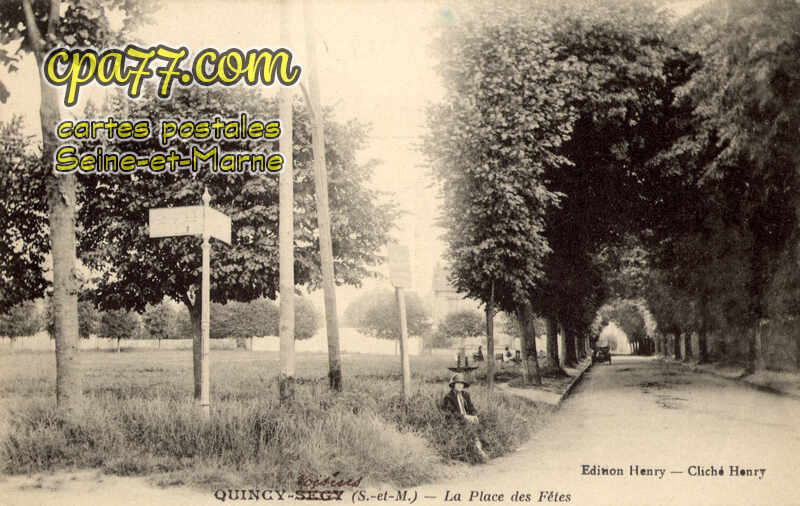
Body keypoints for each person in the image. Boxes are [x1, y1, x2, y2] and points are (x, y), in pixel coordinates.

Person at [441, 373, 488, 462]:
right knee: (470, 429)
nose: (460, 385)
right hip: (457, 420)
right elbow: (452, 413)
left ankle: (483, 446)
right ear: (453, 385)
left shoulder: (465, 395)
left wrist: (474, 415)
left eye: (461, 384)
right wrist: (465, 417)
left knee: (480, 424)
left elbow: (471, 407)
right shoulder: (448, 397)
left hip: (468, 418)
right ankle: (479, 452)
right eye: (457, 383)